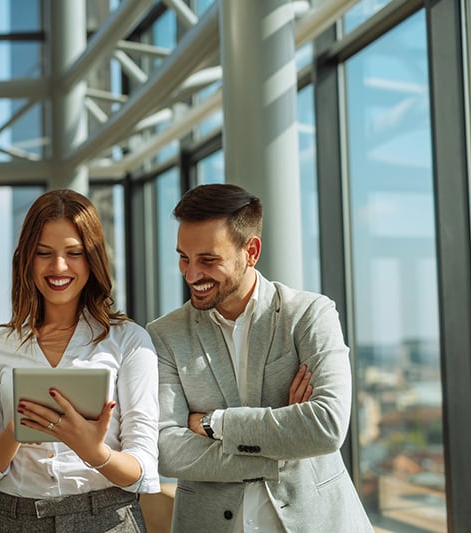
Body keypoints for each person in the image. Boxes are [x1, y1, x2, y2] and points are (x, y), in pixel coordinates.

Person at [147, 183, 372, 533]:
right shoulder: (165, 334)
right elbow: (167, 449)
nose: (191, 275)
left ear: (251, 251)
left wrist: (213, 424)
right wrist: (283, 444)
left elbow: (326, 426)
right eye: (183, 257)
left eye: (208, 260)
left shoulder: (309, 314)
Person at [0, 189, 159, 532]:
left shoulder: (129, 342)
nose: (58, 267)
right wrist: (17, 430)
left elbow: (143, 470)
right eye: (44, 253)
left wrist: (95, 452)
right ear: (27, 259)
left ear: (93, 259)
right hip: (14, 520)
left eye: (74, 253)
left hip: (108, 519)